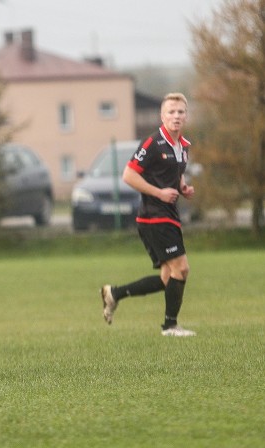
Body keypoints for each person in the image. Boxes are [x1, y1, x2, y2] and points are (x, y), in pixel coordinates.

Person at [100, 92, 196, 337]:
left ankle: (115, 294)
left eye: (180, 112)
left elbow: (174, 171)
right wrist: (159, 193)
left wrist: (182, 187)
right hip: (153, 217)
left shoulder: (183, 145)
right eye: (171, 112)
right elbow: (129, 175)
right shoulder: (152, 143)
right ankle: (170, 326)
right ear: (162, 116)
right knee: (181, 268)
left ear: (186, 115)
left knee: (168, 277)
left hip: (169, 215)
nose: (176, 116)